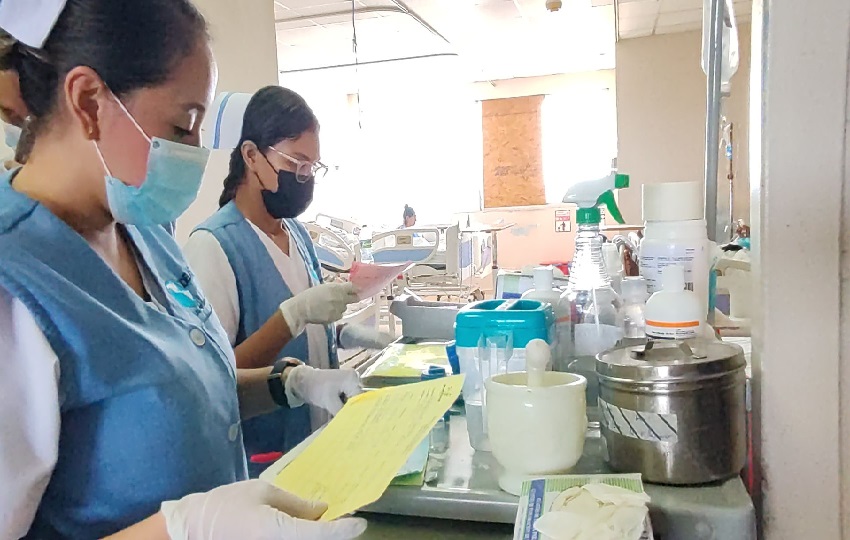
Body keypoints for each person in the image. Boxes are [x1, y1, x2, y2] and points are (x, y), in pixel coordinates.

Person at [0, 0, 366, 538]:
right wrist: (183, 529)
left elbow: (176, 398)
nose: (196, 152)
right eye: (182, 124)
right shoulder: (17, 283)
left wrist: (287, 385)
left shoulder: (145, 231)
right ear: (88, 101)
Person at [184, 86, 392, 476]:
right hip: (265, 459)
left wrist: (347, 335)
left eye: (312, 167)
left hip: (320, 441)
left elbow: (310, 328)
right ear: (251, 156)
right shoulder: (214, 247)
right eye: (296, 163)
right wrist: (290, 318)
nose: (304, 177)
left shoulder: (296, 234)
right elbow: (215, 375)